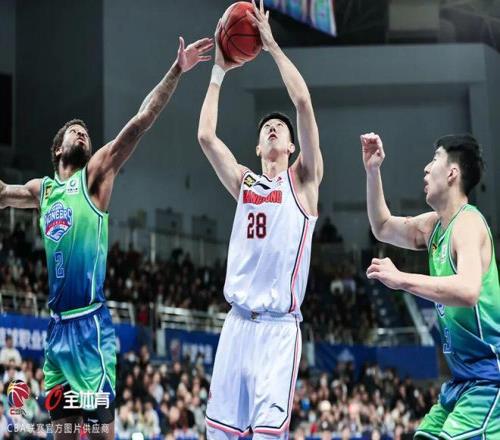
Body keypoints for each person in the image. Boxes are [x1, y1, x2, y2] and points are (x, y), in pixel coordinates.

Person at [0, 35, 213, 439]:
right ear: (57, 149)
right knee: (64, 432)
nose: (82, 134)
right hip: (57, 331)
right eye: (74, 131)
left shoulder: (95, 176)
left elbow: (141, 120)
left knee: (100, 432)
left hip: (90, 329)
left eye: (85, 132)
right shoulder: (42, 191)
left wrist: (177, 70)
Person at [198, 1, 323, 437]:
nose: (272, 127)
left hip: (277, 331)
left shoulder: (303, 182)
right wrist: (219, 71)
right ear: (256, 148)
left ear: (291, 147)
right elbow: (206, 136)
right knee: (219, 434)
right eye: (266, 126)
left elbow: (302, 101)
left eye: (280, 128)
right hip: (236, 325)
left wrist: (270, 46)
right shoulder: (244, 183)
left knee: (269, 434)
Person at [361, 132, 500, 439]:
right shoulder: (434, 226)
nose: (426, 168)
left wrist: (401, 279)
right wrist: (373, 171)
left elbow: (468, 290)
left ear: (452, 173)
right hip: (460, 383)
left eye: (435, 159)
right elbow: (382, 227)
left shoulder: (468, 224)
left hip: (490, 381)